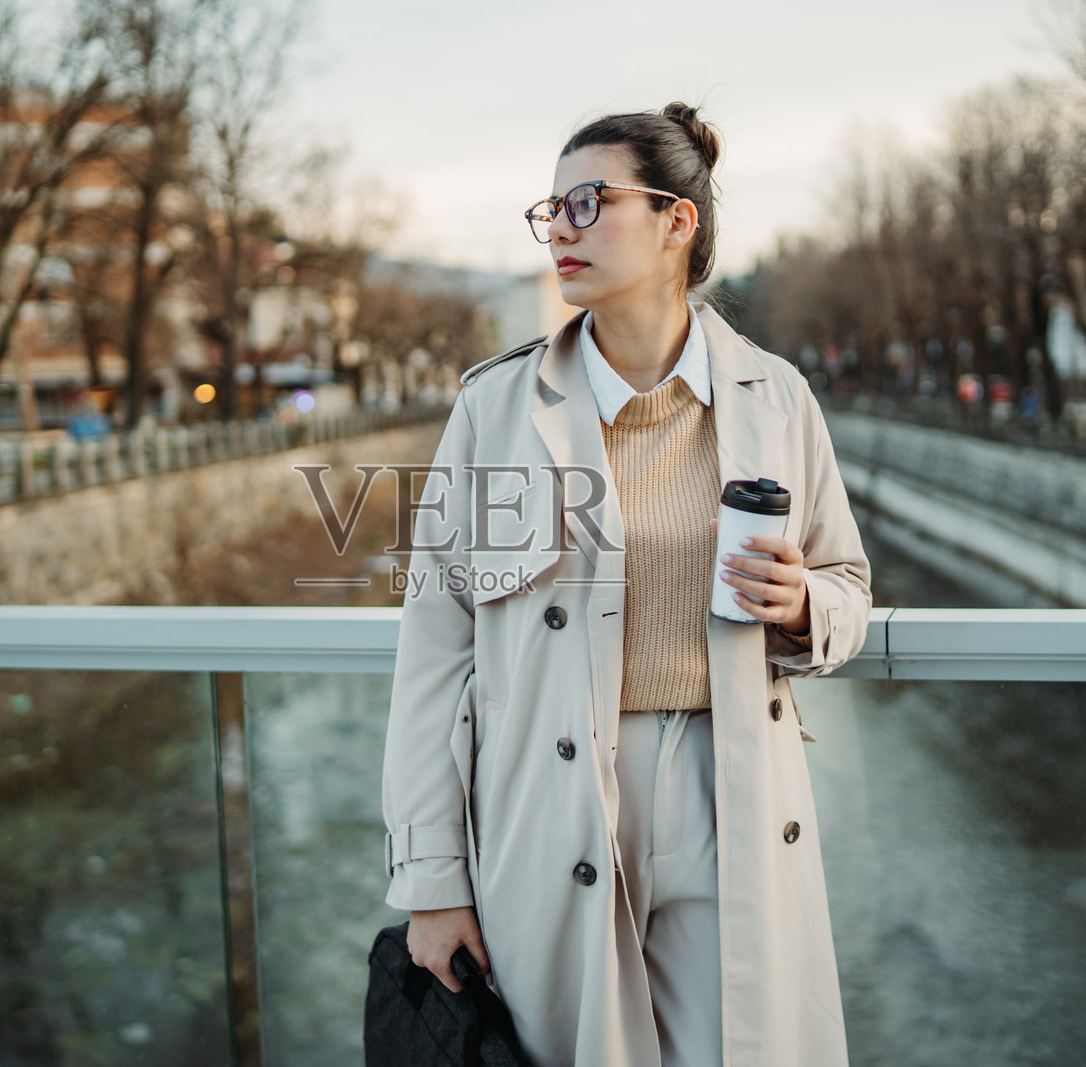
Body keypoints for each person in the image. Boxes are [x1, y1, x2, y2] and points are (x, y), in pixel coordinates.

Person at [380, 102, 872, 1066]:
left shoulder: (778, 397)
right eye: (551, 209)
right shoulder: (495, 408)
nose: (560, 230)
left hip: (729, 785)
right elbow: (435, 653)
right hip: (546, 795)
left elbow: (846, 582)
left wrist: (805, 604)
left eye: (588, 202)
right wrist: (432, 881)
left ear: (676, 221)